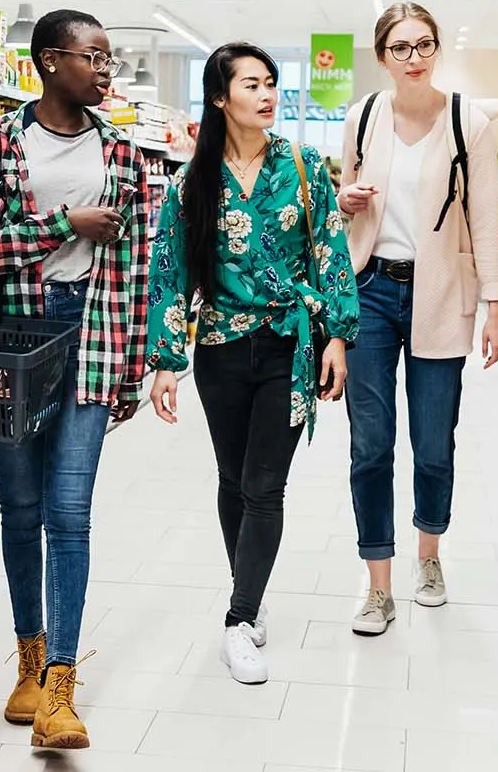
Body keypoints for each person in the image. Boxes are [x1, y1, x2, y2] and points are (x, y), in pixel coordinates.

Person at [0, 8, 155, 749]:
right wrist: (63, 225)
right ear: (48, 61)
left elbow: (136, 269)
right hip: (15, 339)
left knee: (70, 512)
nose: (106, 70)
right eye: (93, 56)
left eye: (110, 57)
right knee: (22, 508)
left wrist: (132, 370)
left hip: (95, 337)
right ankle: (28, 664)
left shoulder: (126, 156)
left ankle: (61, 690)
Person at [146, 42, 360, 685]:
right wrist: (164, 359)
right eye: (251, 85)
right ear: (220, 98)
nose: (267, 95)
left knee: (266, 485)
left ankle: (239, 621)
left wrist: (337, 337)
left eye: (271, 83)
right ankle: (253, 588)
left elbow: (330, 250)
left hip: (288, 348)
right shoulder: (192, 182)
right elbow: (170, 271)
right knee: (232, 479)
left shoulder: (305, 167)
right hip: (218, 348)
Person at [333, 2, 498, 636]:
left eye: (424, 45)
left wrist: (496, 304)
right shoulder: (363, 119)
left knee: (433, 445)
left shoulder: (470, 122)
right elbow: (342, 214)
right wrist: (344, 200)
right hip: (370, 292)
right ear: (382, 57)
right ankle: (377, 585)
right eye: (401, 48)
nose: (414, 58)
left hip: (439, 294)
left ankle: (428, 558)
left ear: (436, 50)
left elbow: (486, 218)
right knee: (370, 445)